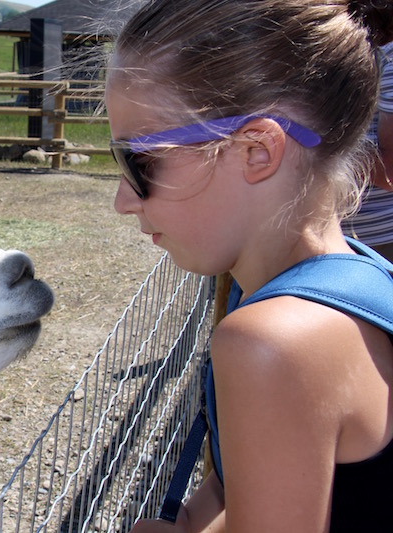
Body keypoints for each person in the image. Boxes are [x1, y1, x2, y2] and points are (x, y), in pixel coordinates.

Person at [104, 1, 393, 532]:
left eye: (140, 163)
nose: (123, 199)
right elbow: (239, 483)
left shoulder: (272, 343)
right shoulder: (359, 278)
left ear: (256, 150)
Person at [342, 41, 393, 261]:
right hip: (332, 238)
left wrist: (310, 148)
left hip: (380, 243)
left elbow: (389, 171)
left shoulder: (389, 56)